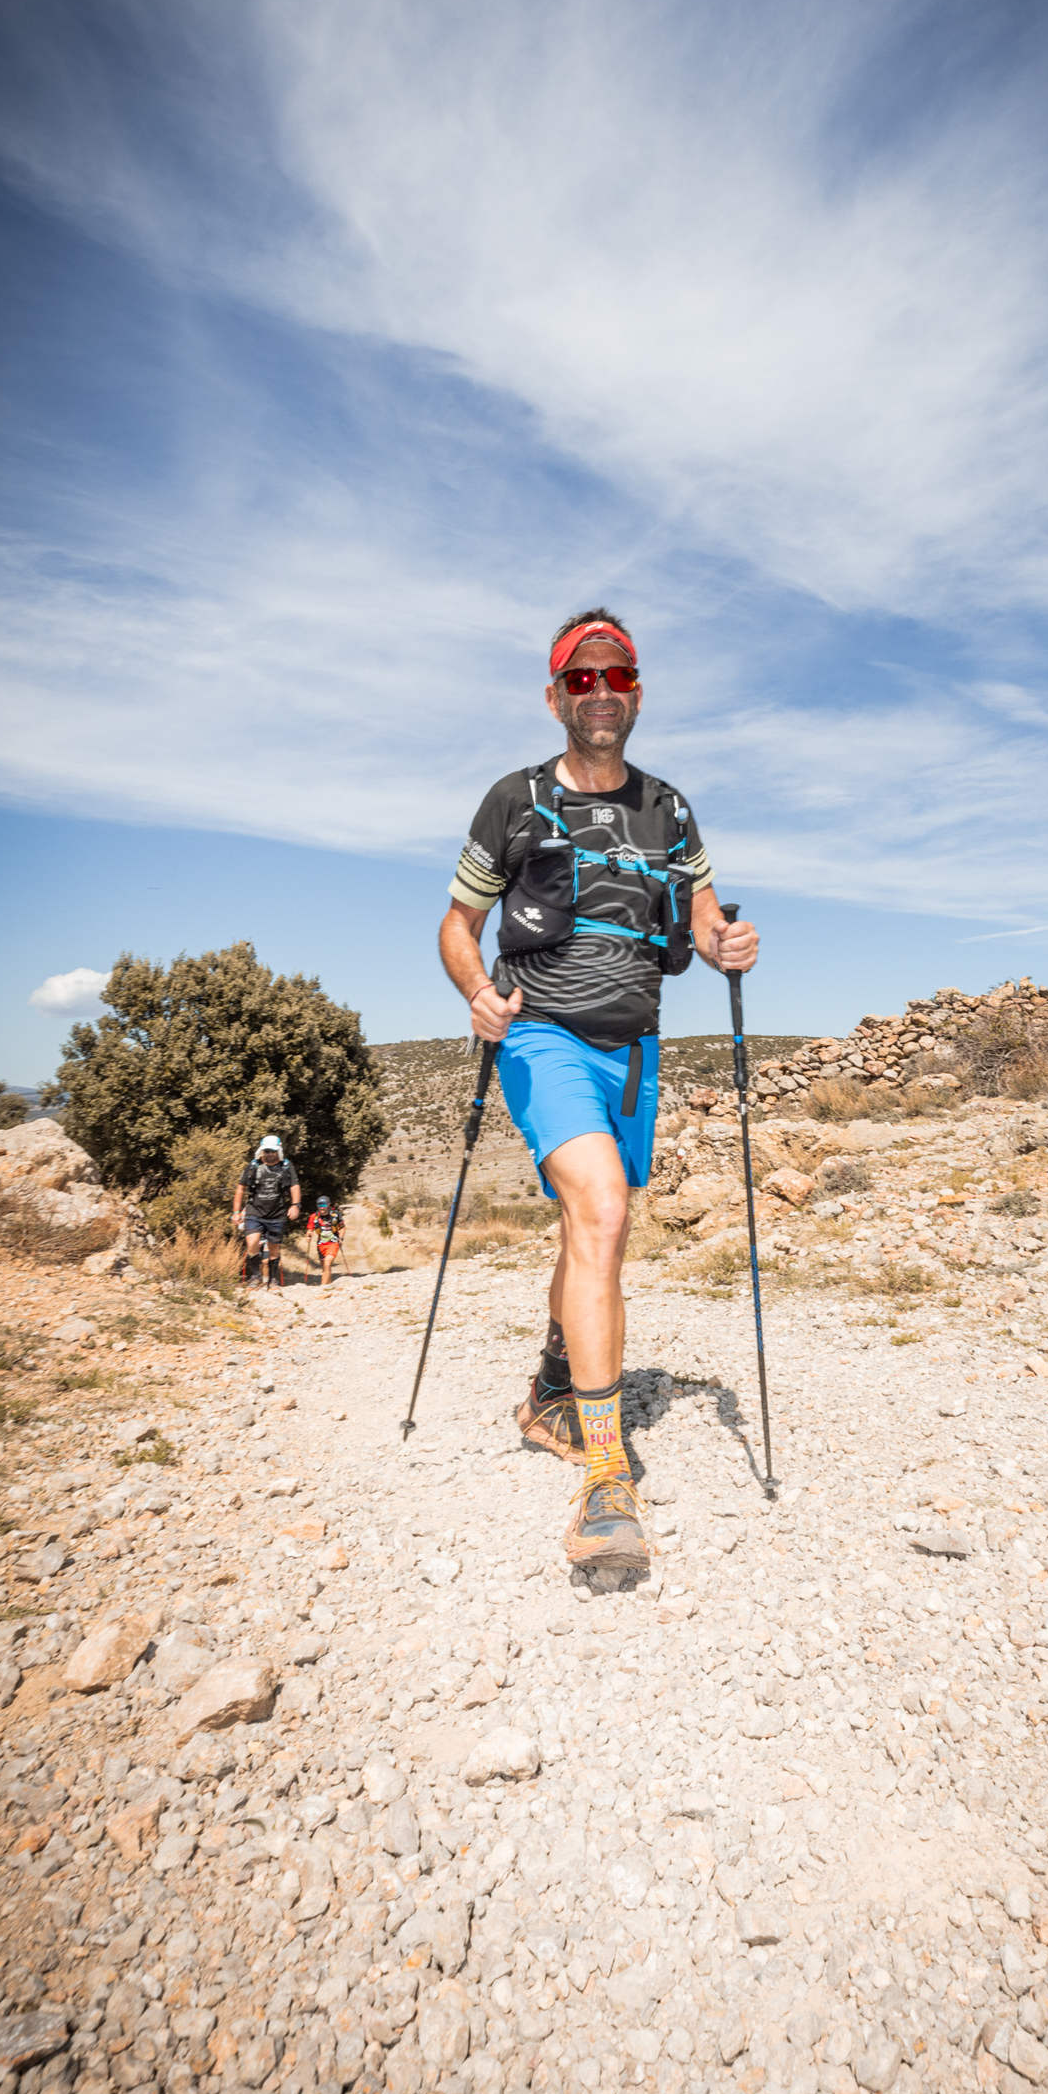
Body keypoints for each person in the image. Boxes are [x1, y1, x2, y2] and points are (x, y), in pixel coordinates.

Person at [439, 609, 759, 1569]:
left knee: (592, 1228)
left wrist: (727, 943)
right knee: (604, 1213)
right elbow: (457, 925)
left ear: (638, 692)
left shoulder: (670, 808)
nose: (601, 691)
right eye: (581, 679)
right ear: (555, 698)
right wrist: (477, 992)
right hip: (542, 1035)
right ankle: (607, 1479)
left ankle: (550, 1390)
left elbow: (705, 920)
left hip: (636, 1050)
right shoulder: (515, 800)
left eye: (616, 676)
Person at [232, 1136, 300, 1292]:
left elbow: (294, 1186)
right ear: (262, 1151)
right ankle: (255, 1277)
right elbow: (241, 1188)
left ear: (278, 1151)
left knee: (274, 1248)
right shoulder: (253, 1166)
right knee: (252, 1242)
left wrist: (295, 1205)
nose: (269, 1154)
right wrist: (236, 1212)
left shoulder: (286, 1166)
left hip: (277, 1214)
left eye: (273, 1151)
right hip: (254, 1212)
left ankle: (273, 1280)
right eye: (267, 1151)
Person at [306, 1195, 345, 1289]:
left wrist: (341, 1238)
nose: (321, 1207)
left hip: (333, 1243)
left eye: (323, 1204)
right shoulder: (314, 1217)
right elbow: (309, 1230)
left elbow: (342, 1227)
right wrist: (308, 1235)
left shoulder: (335, 1215)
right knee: (325, 1267)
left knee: (327, 1263)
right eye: (319, 1205)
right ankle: (329, 1286)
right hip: (321, 1245)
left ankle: (322, 1287)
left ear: (328, 1204)